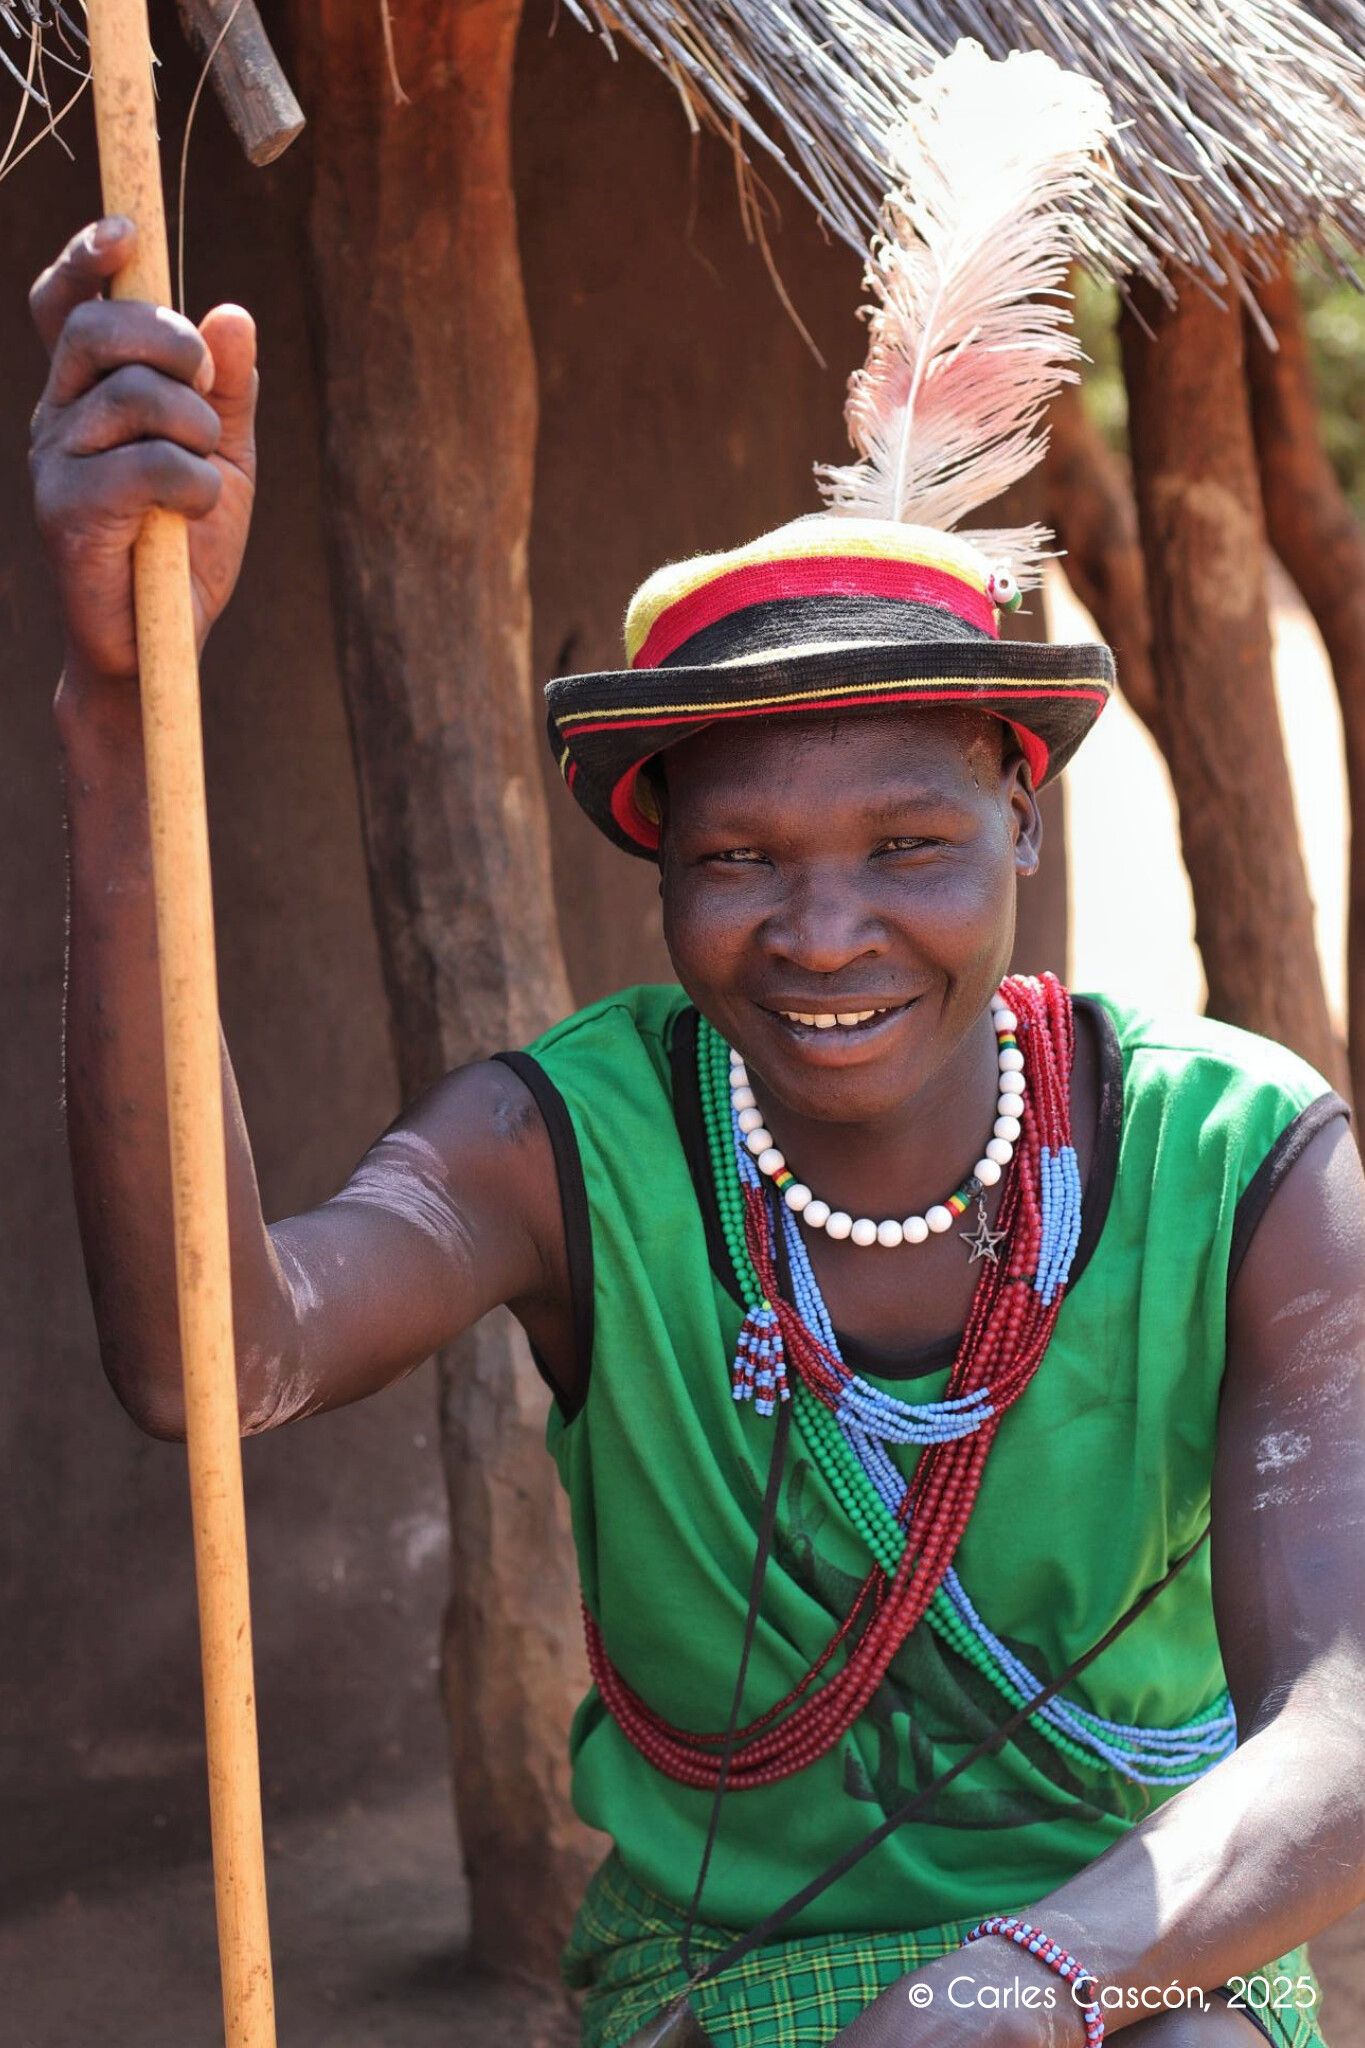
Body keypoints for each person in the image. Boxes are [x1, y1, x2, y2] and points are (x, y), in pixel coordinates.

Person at [25, 47, 1365, 2043]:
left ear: (1017, 816)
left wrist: (1007, 1991)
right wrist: (123, 720)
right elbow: (207, 1356)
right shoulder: (567, 1147)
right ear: (660, 866)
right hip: (722, 1990)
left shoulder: (1235, 1159)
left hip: (1127, 1966)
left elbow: (1344, 1728)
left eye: (904, 846)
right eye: (738, 858)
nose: (820, 933)